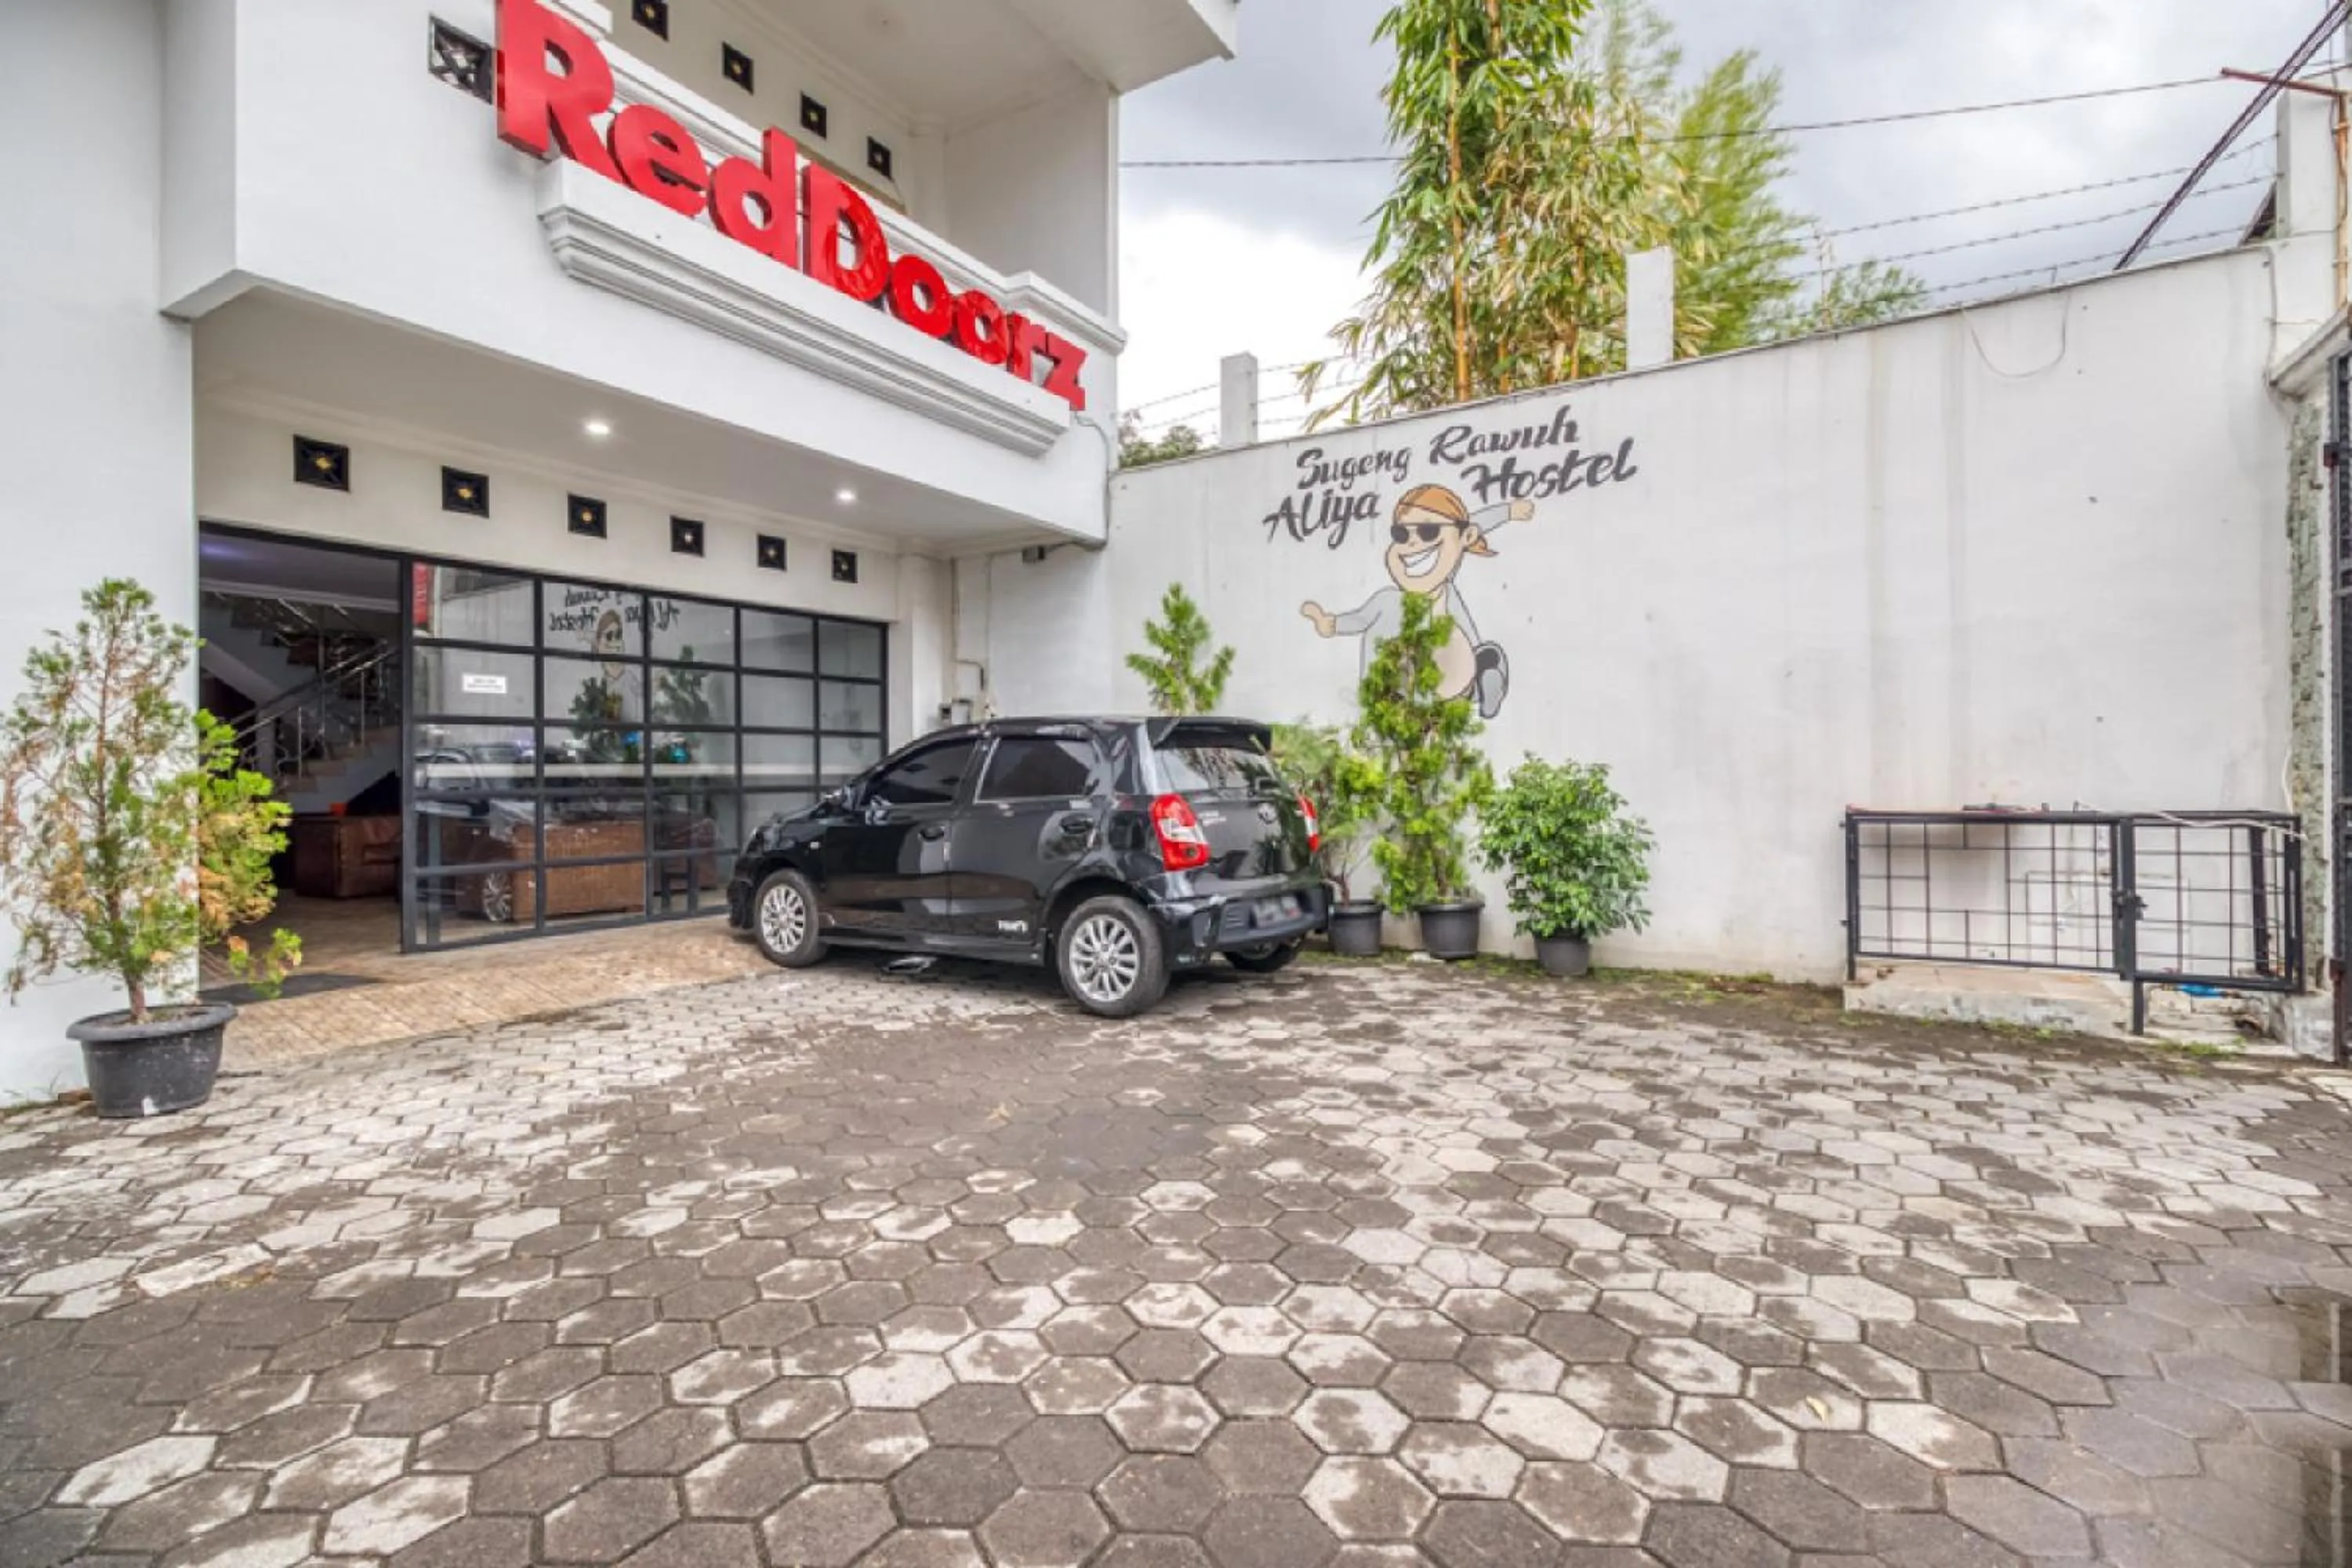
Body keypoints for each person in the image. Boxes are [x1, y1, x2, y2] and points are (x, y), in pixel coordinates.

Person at [1302, 484, 1533, 718]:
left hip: (1455, 679)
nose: (1412, 543)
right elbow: (1360, 619)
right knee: (1410, 666)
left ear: (1468, 537)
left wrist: (1507, 512)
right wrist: (1330, 624)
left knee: (1487, 655)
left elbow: (1465, 526)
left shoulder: (1445, 587)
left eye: (1428, 532)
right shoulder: (1387, 600)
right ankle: (1474, 683)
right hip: (1409, 692)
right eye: (1401, 535)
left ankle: (1482, 683)